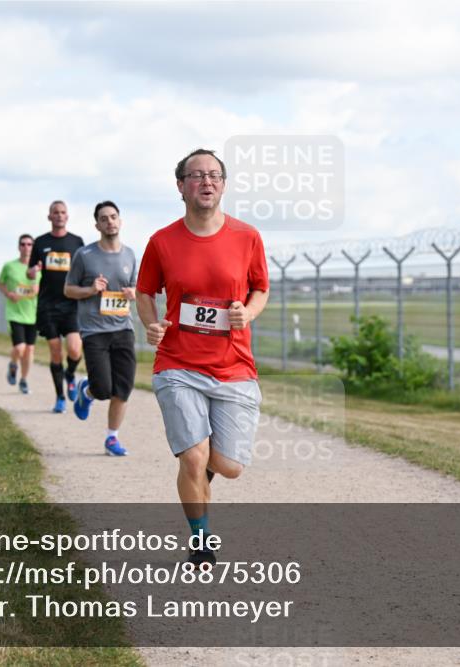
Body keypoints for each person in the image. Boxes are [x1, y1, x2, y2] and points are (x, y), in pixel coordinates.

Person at [136, 148, 269, 568]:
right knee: (193, 456)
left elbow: (260, 289)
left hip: (233, 366)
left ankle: (198, 473)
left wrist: (246, 312)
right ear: (181, 186)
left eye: (213, 175)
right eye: (196, 175)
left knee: (228, 466)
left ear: (224, 184)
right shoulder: (162, 241)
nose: (206, 182)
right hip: (177, 363)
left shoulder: (247, 237)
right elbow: (144, 292)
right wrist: (151, 324)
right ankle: (201, 539)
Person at [66, 201, 138, 457]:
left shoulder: (130, 254)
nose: (110, 222)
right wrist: (90, 289)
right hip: (94, 330)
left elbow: (136, 289)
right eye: (104, 218)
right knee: (103, 388)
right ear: (97, 225)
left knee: (124, 387)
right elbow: (69, 289)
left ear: (120, 220)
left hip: (122, 327)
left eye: (114, 217)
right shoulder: (84, 256)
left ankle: (111, 438)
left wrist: (132, 293)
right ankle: (87, 391)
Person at [28, 201, 85, 413]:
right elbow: (31, 269)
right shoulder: (41, 242)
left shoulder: (76, 241)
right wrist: (32, 272)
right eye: (55, 213)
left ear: (67, 216)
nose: (59, 216)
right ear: (49, 217)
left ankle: (70, 374)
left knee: (74, 348)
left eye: (62, 213)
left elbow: (84, 268)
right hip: (48, 305)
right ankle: (60, 396)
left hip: (71, 304)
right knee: (54, 352)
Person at [0, 234, 42, 394]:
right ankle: (13, 363)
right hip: (15, 313)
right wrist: (8, 293)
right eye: (23, 244)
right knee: (20, 348)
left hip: (33, 313)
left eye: (30, 244)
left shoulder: (38, 268)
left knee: (30, 350)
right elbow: (0, 283)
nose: (26, 247)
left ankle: (23, 380)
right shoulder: (9, 266)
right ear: (19, 247)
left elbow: (40, 289)